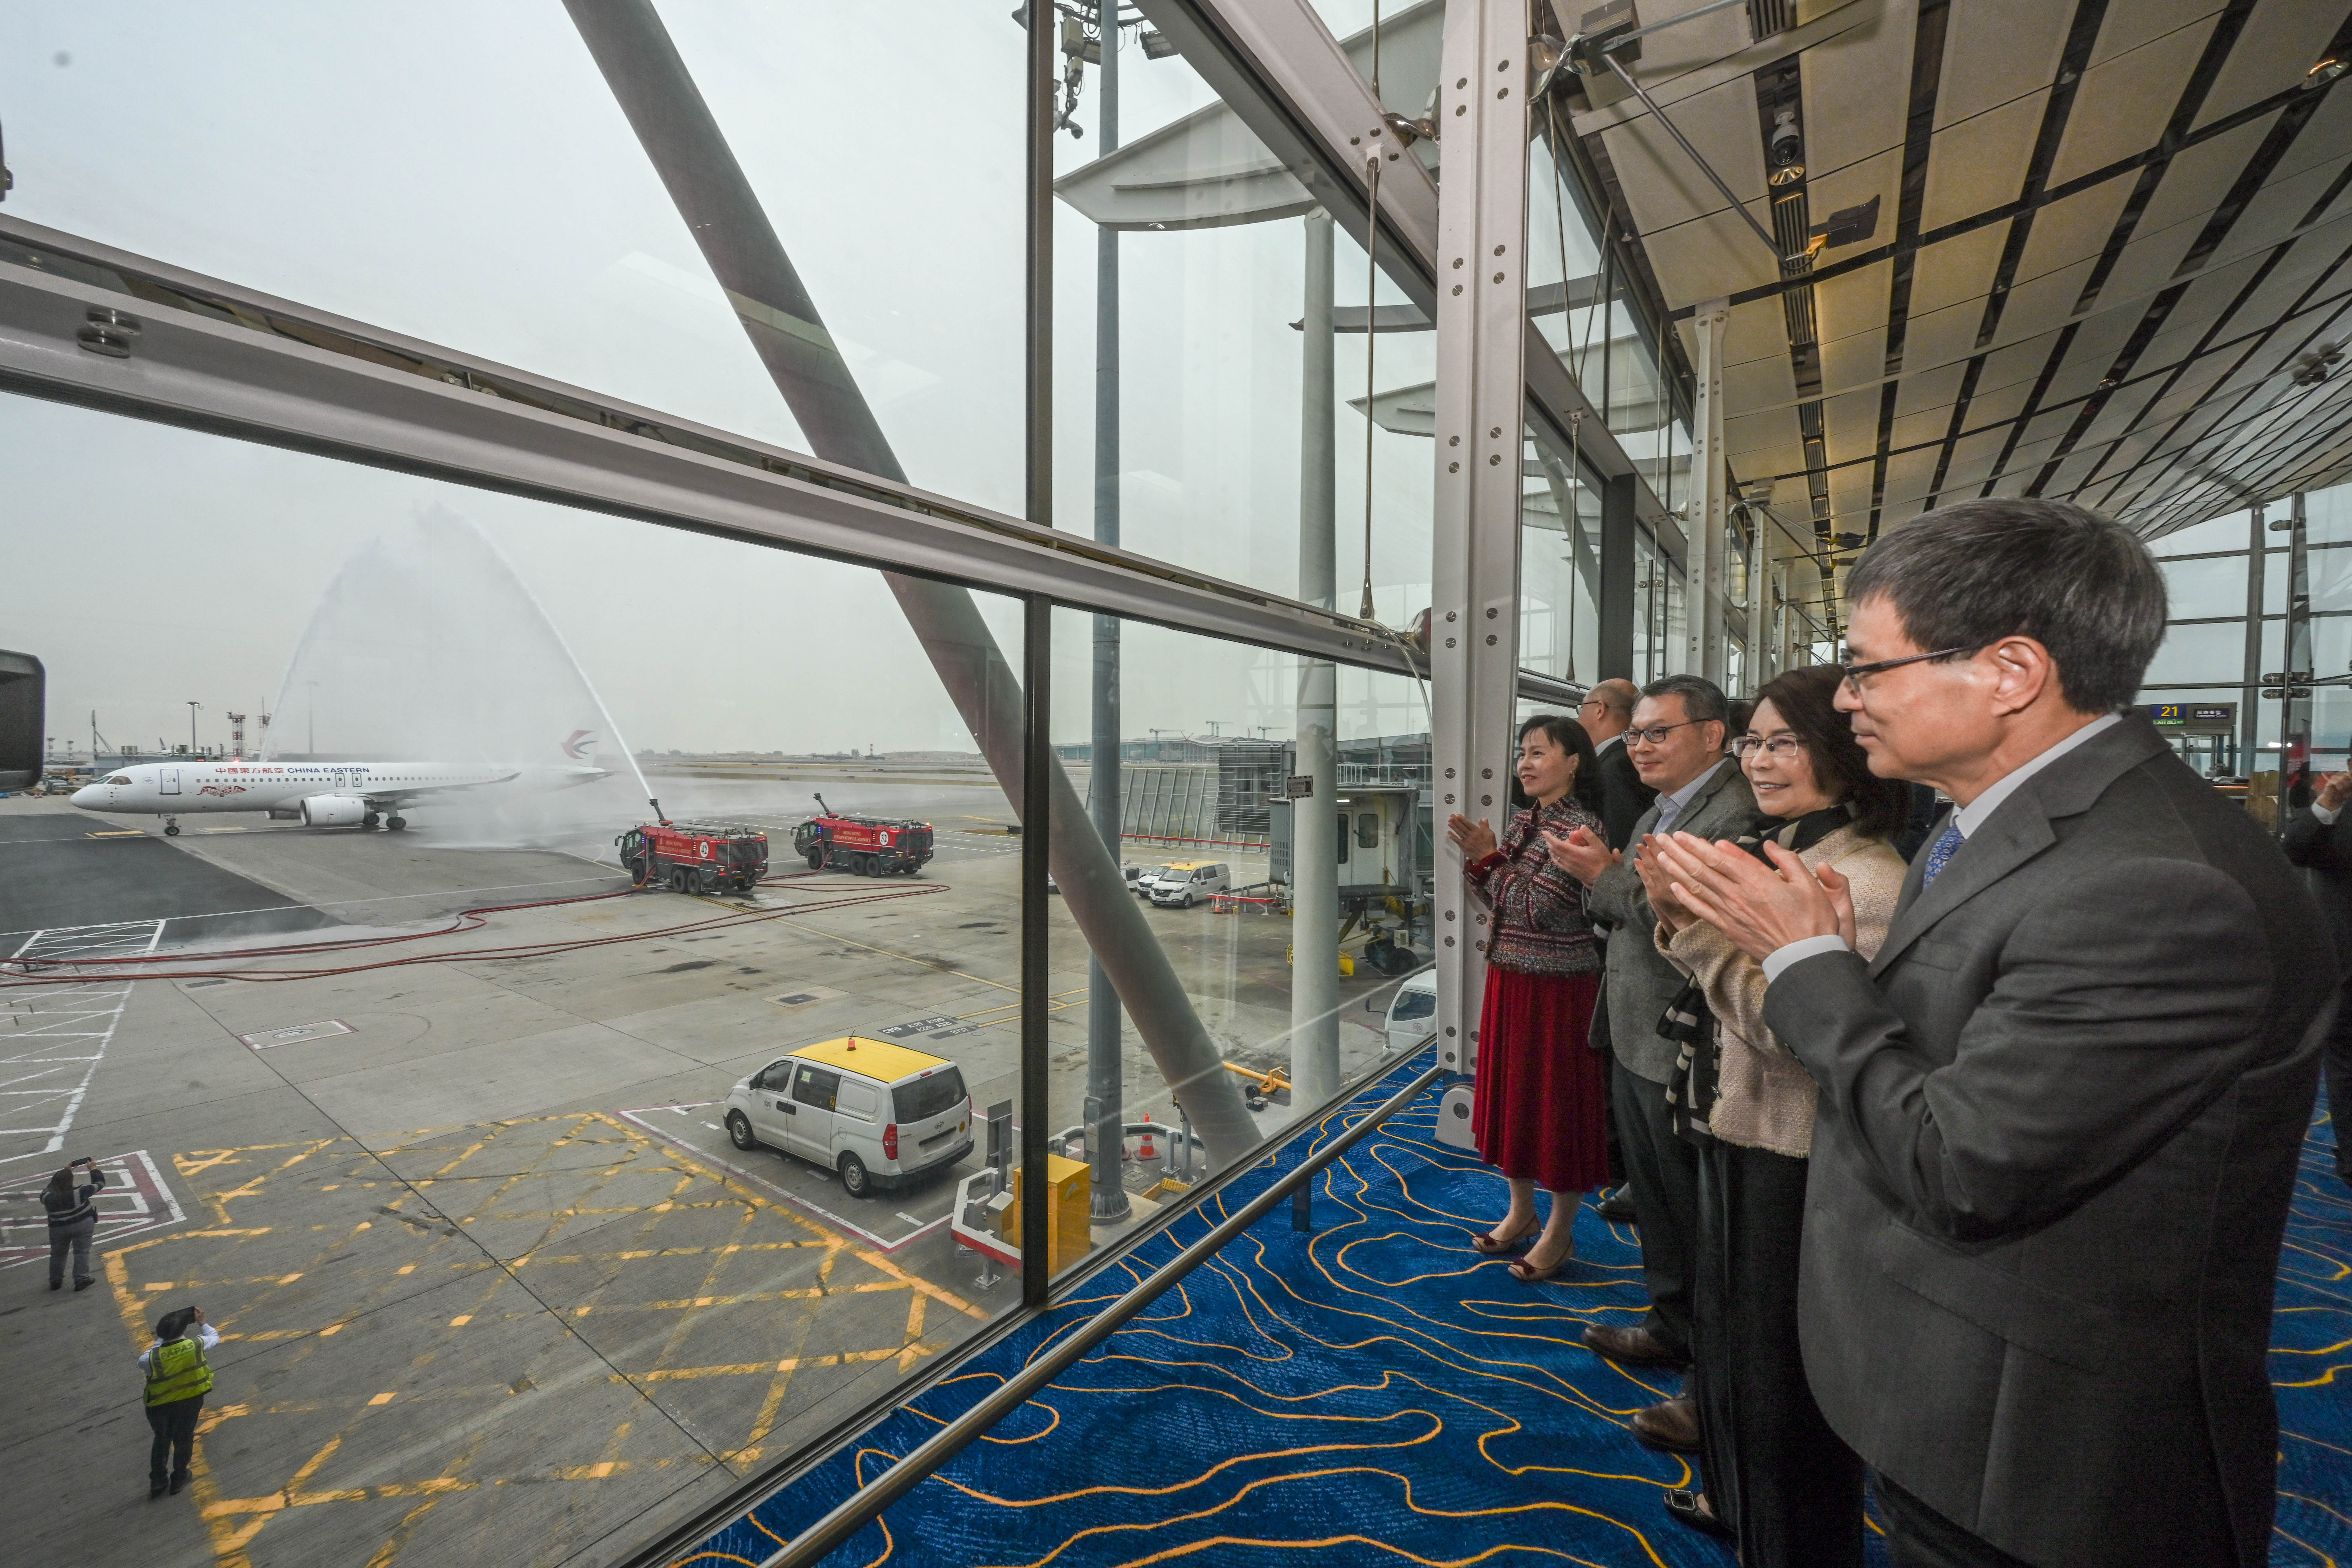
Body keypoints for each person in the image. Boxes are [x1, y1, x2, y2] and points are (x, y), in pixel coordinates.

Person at [1648, 497, 2332, 1568]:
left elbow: (1962, 1162)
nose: (1844, 697)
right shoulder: (1991, 826)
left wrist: (1804, 958)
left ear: (2009, 671)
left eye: (1868, 667)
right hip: (1948, 1394)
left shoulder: (2154, 883)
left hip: (2042, 1462)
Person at [1632, 665, 1909, 1558]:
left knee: (1781, 1383)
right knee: (1734, 1348)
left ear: (1842, 750)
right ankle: (1738, 1505)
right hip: (1740, 1127)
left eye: (1782, 740)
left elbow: (1793, 1029)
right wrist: (1688, 915)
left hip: (1792, 1155)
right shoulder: (1791, 852)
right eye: (1753, 740)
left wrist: (1694, 924)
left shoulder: (1860, 877)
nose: (1760, 759)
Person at [1545, 674, 1756, 1455]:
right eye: (1634, 735)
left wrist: (1602, 875)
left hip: (1685, 1040)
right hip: (1638, 1031)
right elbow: (1634, 903)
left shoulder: (1735, 813)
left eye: (1656, 733)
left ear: (1711, 734)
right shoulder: (1670, 807)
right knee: (1662, 1207)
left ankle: (1712, 1373)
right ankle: (1671, 1327)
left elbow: (1679, 918)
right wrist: (1608, 877)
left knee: (1702, 1217)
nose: (1638, 748)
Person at [1446, 714, 1610, 1282]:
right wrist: (1482, 860)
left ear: (1575, 762)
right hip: (1513, 976)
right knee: (1515, 1100)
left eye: (1539, 752)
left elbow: (1541, 908)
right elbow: (1496, 897)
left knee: (1556, 1108)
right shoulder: (1527, 820)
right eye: (1522, 752)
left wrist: (1490, 860)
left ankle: (1560, 1232)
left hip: (1559, 988)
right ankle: (1520, 1212)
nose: (1526, 763)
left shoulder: (1581, 829)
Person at [1578, 677, 1654, 1225]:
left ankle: (1623, 1170)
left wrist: (1603, 895)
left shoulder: (1616, 771)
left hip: (1628, 937)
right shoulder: (1619, 769)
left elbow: (1622, 858)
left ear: (1599, 709)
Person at [2284, 768, 2352, 1184]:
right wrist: (2328, 804)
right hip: (2344, 962)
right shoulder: (2333, 809)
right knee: (2345, 1064)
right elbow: (2294, 848)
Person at [140, 1304, 218, 1498]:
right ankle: (180, 1478)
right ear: (184, 1331)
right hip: (189, 1403)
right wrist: (202, 1323)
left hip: (159, 1407)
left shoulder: (149, 1358)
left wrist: (163, 1339)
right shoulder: (196, 1345)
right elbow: (214, 1337)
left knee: (161, 1439)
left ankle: (158, 1480)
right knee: (184, 1439)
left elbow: (152, 1355)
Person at [1580, 680, 1655, 851]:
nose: (1579, 718)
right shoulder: (1621, 759)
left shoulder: (1618, 766)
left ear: (1600, 709)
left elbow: (1623, 839)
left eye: (1582, 708)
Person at [42, 1155, 106, 1292]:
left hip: (58, 1229)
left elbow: (49, 1188)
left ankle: (55, 1281)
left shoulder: (47, 1197)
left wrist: (65, 1172)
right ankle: (81, 1279)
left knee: (58, 1254)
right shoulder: (79, 1193)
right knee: (82, 1252)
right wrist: (93, 1169)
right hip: (82, 1225)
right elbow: (99, 1184)